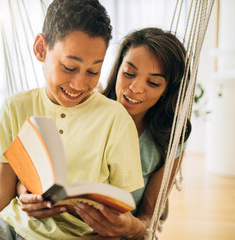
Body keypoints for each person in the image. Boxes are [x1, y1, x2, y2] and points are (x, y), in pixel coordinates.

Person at [0, 1, 143, 239]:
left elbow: (117, 217)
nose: (80, 84)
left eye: (93, 71)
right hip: (11, 225)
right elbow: (1, 190)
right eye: (70, 67)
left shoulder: (115, 119)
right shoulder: (16, 106)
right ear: (41, 48)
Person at [17, 27, 191, 240]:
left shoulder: (169, 142)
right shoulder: (81, 104)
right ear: (117, 70)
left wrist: (131, 227)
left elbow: (149, 218)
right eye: (128, 73)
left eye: (153, 83)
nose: (135, 88)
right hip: (51, 228)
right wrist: (25, 190)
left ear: (166, 91)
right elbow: (39, 172)